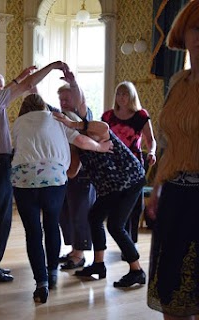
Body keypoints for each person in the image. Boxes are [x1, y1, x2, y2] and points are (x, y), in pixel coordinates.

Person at [0, 61, 65, 283]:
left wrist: (18, 77)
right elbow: (29, 84)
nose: (5, 92)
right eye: (1, 88)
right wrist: (52, 67)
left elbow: (18, 85)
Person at [12, 92, 113, 303]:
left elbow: (13, 148)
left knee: (32, 233)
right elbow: (83, 142)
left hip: (24, 179)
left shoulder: (18, 122)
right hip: (54, 178)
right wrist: (101, 147)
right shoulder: (57, 119)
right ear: (45, 107)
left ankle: (41, 283)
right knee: (51, 226)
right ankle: (52, 272)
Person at [55, 105, 147, 289]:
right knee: (94, 217)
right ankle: (98, 265)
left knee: (115, 226)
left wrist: (72, 124)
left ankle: (137, 271)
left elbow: (104, 127)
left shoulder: (95, 132)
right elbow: (72, 172)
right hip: (110, 188)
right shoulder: (76, 146)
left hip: (129, 181)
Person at [146, 2, 199, 319]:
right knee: (171, 294)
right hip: (175, 197)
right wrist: (157, 187)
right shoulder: (178, 83)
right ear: (184, 33)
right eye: (196, 27)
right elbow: (168, 143)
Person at [102, 81, 157, 243]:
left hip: (134, 166)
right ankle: (123, 239)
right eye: (119, 94)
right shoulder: (108, 117)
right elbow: (100, 137)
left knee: (135, 206)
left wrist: (152, 152)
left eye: (125, 94)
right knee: (118, 206)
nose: (121, 97)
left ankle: (131, 242)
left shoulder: (140, 116)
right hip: (113, 165)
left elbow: (151, 140)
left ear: (132, 96)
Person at [56, 83, 96, 270]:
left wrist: (71, 172)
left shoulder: (83, 117)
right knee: (65, 213)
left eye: (67, 99)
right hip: (66, 175)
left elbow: (78, 150)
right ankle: (73, 250)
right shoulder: (62, 118)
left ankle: (80, 255)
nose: (63, 103)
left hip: (82, 176)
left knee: (80, 214)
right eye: (61, 99)